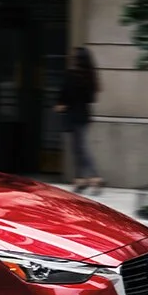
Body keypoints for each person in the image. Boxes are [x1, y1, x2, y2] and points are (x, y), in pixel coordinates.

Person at [55, 46, 103, 194]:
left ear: (77, 59)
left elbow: (64, 94)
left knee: (79, 148)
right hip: (84, 115)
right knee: (78, 148)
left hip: (73, 115)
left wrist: (61, 105)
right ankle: (80, 179)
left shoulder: (71, 75)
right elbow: (91, 99)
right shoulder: (90, 76)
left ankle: (93, 177)